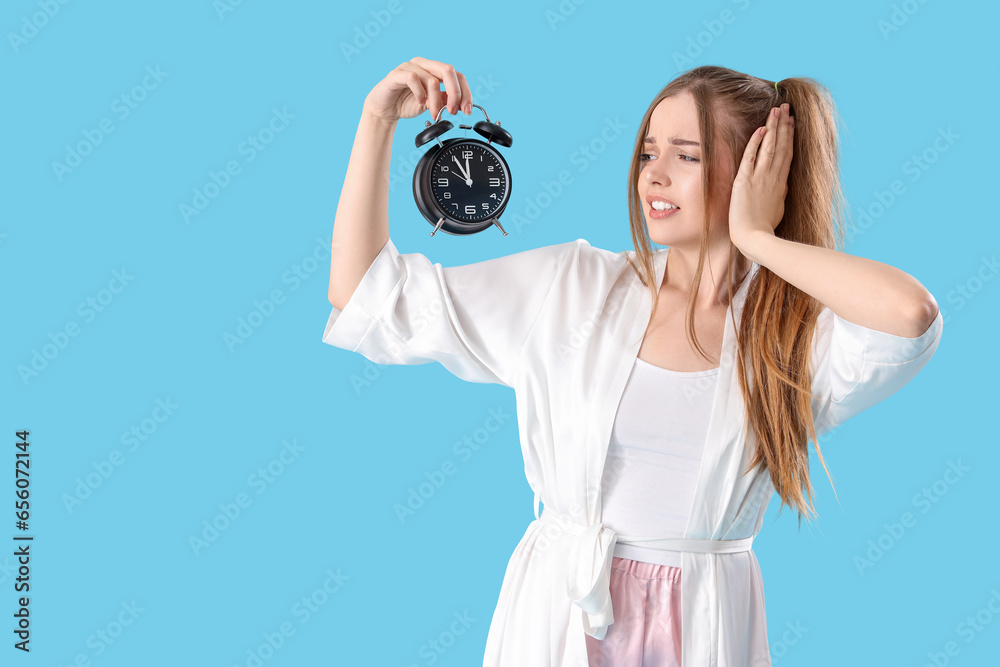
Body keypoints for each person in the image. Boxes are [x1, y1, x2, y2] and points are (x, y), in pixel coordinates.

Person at [324, 57, 944, 667]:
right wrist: (376, 120)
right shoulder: (571, 288)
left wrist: (759, 240)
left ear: (761, 172)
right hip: (558, 619)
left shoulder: (790, 338)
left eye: (688, 155)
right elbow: (367, 298)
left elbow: (910, 315)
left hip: (704, 628)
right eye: (650, 152)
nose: (654, 176)